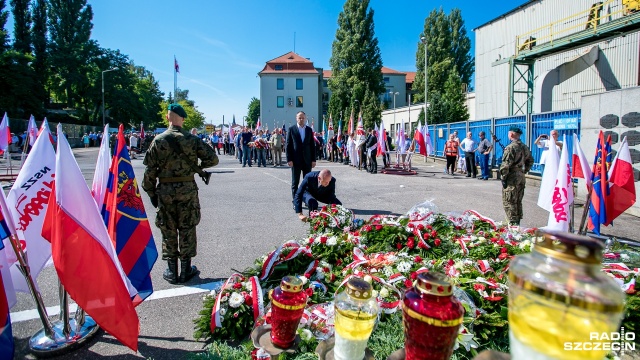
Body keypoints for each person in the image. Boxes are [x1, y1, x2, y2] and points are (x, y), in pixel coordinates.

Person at [142, 103, 219, 284]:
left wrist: (152, 193)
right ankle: (185, 270)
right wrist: (197, 168)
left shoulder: (158, 140)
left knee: (168, 228)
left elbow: (149, 172)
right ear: (183, 119)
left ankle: (171, 271)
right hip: (187, 189)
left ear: (168, 117)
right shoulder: (192, 140)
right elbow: (213, 159)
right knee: (187, 227)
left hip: (166, 191)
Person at [499, 126, 534, 226]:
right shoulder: (524, 146)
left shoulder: (511, 147)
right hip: (521, 176)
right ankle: (517, 223)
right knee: (518, 200)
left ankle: (512, 224)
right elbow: (530, 160)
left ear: (511, 134)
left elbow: (505, 165)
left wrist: (503, 177)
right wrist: (524, 171)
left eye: (509, 133)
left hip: (512, 177)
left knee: (509, 201)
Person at [286, 111, 316, 199]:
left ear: (305, 118)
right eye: (299, 118)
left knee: (308, 182)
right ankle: (296, 201)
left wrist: (313, 160)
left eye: (303, 118)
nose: (301, 119)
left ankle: (307, 200)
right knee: (295, 182)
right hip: (295, 161)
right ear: (296, 118)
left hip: (307, 160)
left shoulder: (309, 130)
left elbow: (312, 145)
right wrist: (289, 159)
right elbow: (288, 145)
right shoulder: (292, 129)